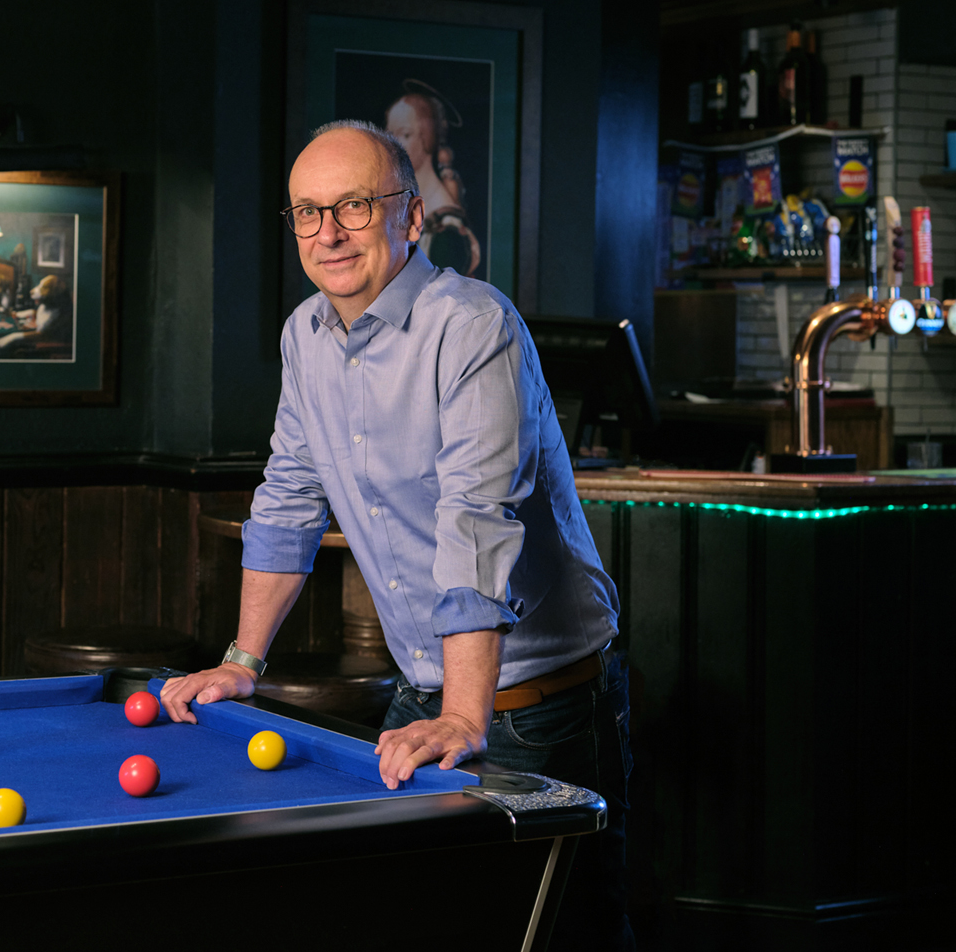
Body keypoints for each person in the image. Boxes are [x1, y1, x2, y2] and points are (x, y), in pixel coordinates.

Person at [159, 121, 633, 951]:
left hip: (541, 703)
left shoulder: (474, 324)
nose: (328, 231)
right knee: (434, 924)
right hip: (422, 694)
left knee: (567, 933)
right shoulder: (305, 334)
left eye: (352, 205)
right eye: (308, 211)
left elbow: (476, 521)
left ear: (410, 218)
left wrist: (463, 712)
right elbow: (288, 498)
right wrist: (243, 660)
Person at [383, 84, 483, 275]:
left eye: (405, 135)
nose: (393, 146)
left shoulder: (445, 230)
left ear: (427, 138)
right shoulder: (400, 199)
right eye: (389, 135)